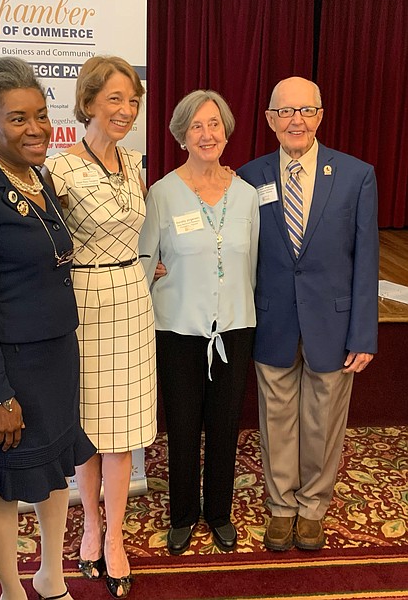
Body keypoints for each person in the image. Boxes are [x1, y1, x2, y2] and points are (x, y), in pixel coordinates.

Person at [0, 57, 95, 600]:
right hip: (8, 370)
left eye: (42, 115)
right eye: (18, 119)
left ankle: (51, 575)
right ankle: (10, 590)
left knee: (54, 471)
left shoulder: (38, 176)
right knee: (3, 487)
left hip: (55, 358)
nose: (37, 129)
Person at [238, 77, 378, 551]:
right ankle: (281, 506)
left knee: (323, 421)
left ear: (320, 115)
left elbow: (367, 259)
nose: (295, 120)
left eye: (305, 111)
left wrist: (363, 332)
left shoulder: (357, 175)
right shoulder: (248, 176)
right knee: (275, 418)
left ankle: (313, 505)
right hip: (272, 318)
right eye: (285, 112)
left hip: (333, 325)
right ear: (269, 120)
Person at [44, 56, 157, 599]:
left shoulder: (136, 163)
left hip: (133, 299)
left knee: (125, 432)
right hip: (85, 302)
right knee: (89, 430)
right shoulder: (60, 169)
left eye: (132, 100)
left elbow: (141, 229)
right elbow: (45, 246)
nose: (126, 110)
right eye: (114, 98)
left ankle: (115, 536)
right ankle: (89, 522)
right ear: (88, 103)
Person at [139, 90, 259, 555]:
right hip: (178, 331)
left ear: (226, 131)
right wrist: (155, 269)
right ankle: (184, 514)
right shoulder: (163, 193)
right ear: (181, 135)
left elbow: (253, 264)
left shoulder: (247, 195)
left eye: (215, 125)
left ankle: (220, 514)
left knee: (225, 425)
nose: (207, 134)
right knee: (185, 427)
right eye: (197, 126)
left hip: (233, 328)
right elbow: (145, 259)